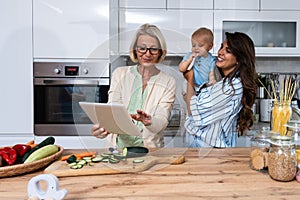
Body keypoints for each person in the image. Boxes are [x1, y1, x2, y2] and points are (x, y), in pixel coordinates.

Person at [91, 24, 176, 148]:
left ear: (160, 52)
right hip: (116, 149)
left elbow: (162, 120)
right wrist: (103, 128)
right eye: (142, 48)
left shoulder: (168, 81)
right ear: (135, 50)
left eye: (153, 49)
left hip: (149, 151)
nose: (147, 54)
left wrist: (149, 121)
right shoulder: (120, 74)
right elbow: (112, 109)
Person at [184, 32, 257, 148]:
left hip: (211, 152)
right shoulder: (222, 81)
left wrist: (190, 79)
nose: (220, 52)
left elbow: (192, 109)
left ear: (239, 59)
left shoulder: (232, 87)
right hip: (204, 148)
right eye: (221, 47)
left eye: (228, 51)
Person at [179, 27, 216, 114]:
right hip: (190, 83)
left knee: (200, 105)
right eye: (193, 45)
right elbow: (181, 68)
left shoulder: (211, 60)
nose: (196, 48)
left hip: (203, 86)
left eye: (200, 45)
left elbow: (211, 74)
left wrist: (212, 81)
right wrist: (188, 60)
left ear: (210, 46)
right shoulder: (189, 55)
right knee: (187, 95)